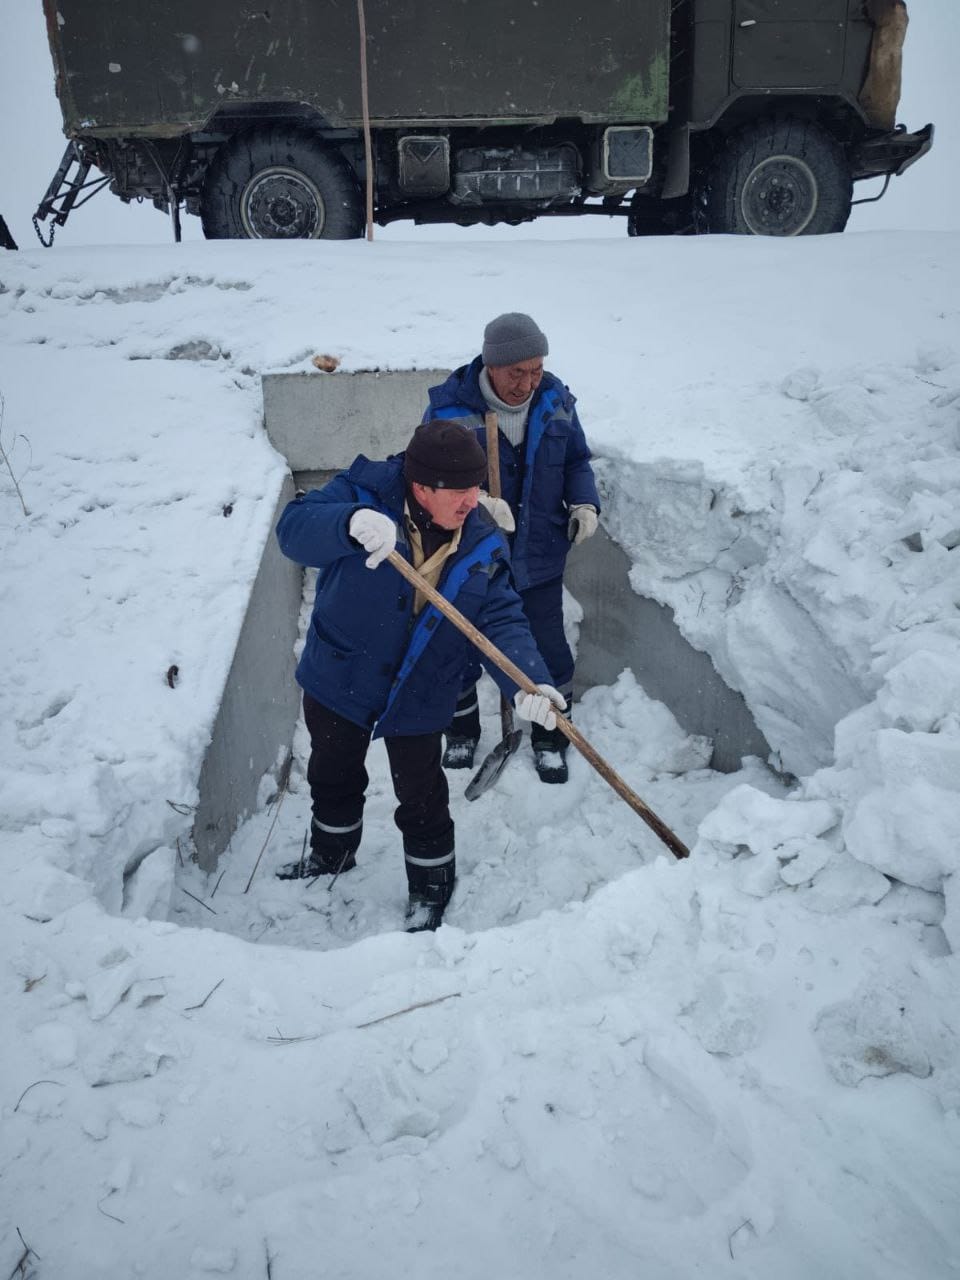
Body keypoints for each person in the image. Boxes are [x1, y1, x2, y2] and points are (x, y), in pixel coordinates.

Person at [273, 418, 566, 932]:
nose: (473, 501)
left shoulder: (481, 541)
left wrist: (528, 683)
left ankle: (432, 885)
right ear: (421, 487)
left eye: (477, 487)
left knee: (422, 793)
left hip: (422, 682)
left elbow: (502, 618)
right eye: (460, 490)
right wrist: (348, 522)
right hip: (344, 668)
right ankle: (332, 853)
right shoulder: (364, 493)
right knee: (333, 770)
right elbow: (294, 530)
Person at [423, 312, 600, 783]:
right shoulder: (449, 410)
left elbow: (576, 460)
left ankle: (551, 735)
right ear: (491, 365)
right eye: (516, 372)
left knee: (548, 648)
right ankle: (461, 729)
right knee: (459, 647)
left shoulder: (555, 400)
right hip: (472, 558)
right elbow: (426, 477)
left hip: (539, 552)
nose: (527, 383)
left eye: (536, 370)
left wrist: (584, 501)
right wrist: (475, 502)